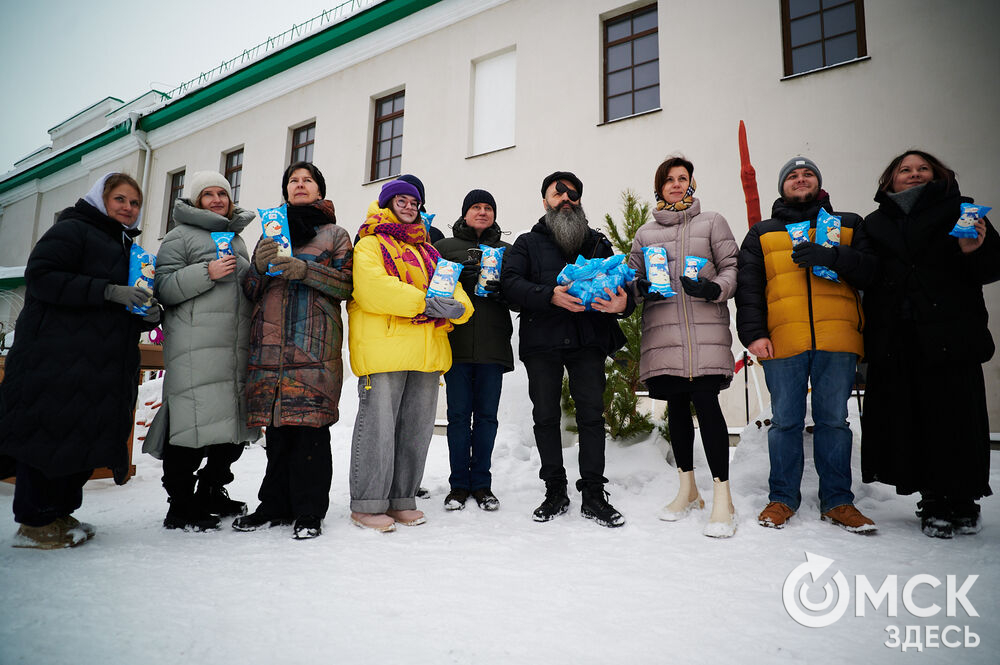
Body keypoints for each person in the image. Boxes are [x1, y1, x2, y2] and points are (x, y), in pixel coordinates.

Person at [0, 173, 160, 549]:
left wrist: (146, 312)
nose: (127, 208)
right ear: (100, 200)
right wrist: (107, 290)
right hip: (55, 359)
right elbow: (42, 277)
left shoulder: (124, 247)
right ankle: (34, 524)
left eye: (134, 203)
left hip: (96, 364)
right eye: (119, 199)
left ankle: (59, 513)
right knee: (48, 436)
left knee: (79, 437)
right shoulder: (72, 230)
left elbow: (118, 304)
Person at [858, 150, 1000, 538]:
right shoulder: (875, 222)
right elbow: (870, 275)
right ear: (890, 180)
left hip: (950, 334)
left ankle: (964, 500)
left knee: (957, 418)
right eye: (906, 169)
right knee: (912, 421)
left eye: (923, 168)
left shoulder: (962, 211)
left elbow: (992, 267)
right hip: (898, 337)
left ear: (938, 176)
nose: (915, 174)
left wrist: (974, 252)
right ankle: (933, 499)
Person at [735, 157, 876, 533]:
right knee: (785, 423)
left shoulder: (848, 224)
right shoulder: (762, 232)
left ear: (819, 183)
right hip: (783, 340)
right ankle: (782, 498)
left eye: (807, 174)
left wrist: (833, 256)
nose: (800, 180)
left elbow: (871, 270)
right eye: (792, 176)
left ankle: (838, 501)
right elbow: (749, 288)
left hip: (839, 337)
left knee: (834, 421)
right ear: (781, 187)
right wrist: (753, 334)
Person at [500, 171, 633, 527]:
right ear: (545, 202)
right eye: (558, 194)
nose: (566, 200)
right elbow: (510, 286)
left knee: (592, 417)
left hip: (588, 340)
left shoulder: (598, 243)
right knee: (545, 417)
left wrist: (624, 304)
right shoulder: (527, 243)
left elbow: (625, 286)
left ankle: (593, 493)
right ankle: (554, 490)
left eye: (573, 194)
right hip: (542, 342)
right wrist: (549, 295)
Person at [232, 162, 353, 540]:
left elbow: (349, 285)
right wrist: (258, 267)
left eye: (308, 181)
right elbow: (251, 291)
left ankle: (309, 512)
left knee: (311, 433)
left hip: (313, 345)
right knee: (278, 433)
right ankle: (273, 506)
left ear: (320, 190)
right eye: (293, 181)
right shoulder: (268, 234)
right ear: (285, 190)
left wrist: (306, 270)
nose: (300, 186)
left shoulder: (335, 234)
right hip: (269, 347)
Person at [347, 179, 473, 532]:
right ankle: (368, 504)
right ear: (387, 204)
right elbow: (373, 289)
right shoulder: (369, 243)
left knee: (414, 431)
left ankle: (402, 499)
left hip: (427, 351)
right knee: (379, 429)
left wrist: (456, 308)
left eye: (414, 201)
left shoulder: (430, 252)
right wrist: (427, 303)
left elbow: (458, 293)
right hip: (384, 348)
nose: (408, 205)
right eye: (401, 200)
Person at [628, 156, 739, 537]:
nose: (676, 184)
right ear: (658, 187)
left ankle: (723, 496)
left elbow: (732, 268)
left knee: (707, 406)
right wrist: (638, 288)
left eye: (682, 179)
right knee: (676, 408)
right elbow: (632, 279)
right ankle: (687, 488)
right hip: (664, 337)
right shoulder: (645, 234)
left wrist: (714, 289)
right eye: (669, 180)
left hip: (705, 334)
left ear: (691, 184)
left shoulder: (712, 222)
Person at [145, 171, 259, 531]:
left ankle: (212, 490)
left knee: (231, 430)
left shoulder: (236, 239)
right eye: (207, 194)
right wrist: (206, 272)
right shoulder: (179, 237)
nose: (215, 199)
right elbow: (162, 288)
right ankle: (180, 505)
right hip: (195, 349)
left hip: (232, 347)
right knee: (189, 429)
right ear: (196, 201)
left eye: (221, 193)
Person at [434, 189, 513, 511]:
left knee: (486, 419)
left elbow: (520, 295)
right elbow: (431, 291)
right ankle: (458, 486)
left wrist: (503, 289)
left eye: (488, 207)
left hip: (494, 347)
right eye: (475, 207)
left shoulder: (507, 251)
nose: (482, 212)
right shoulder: (443, 248)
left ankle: (482, 484)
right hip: (456, 346)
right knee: (456, 418)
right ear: (464, 213)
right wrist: (456, 280)